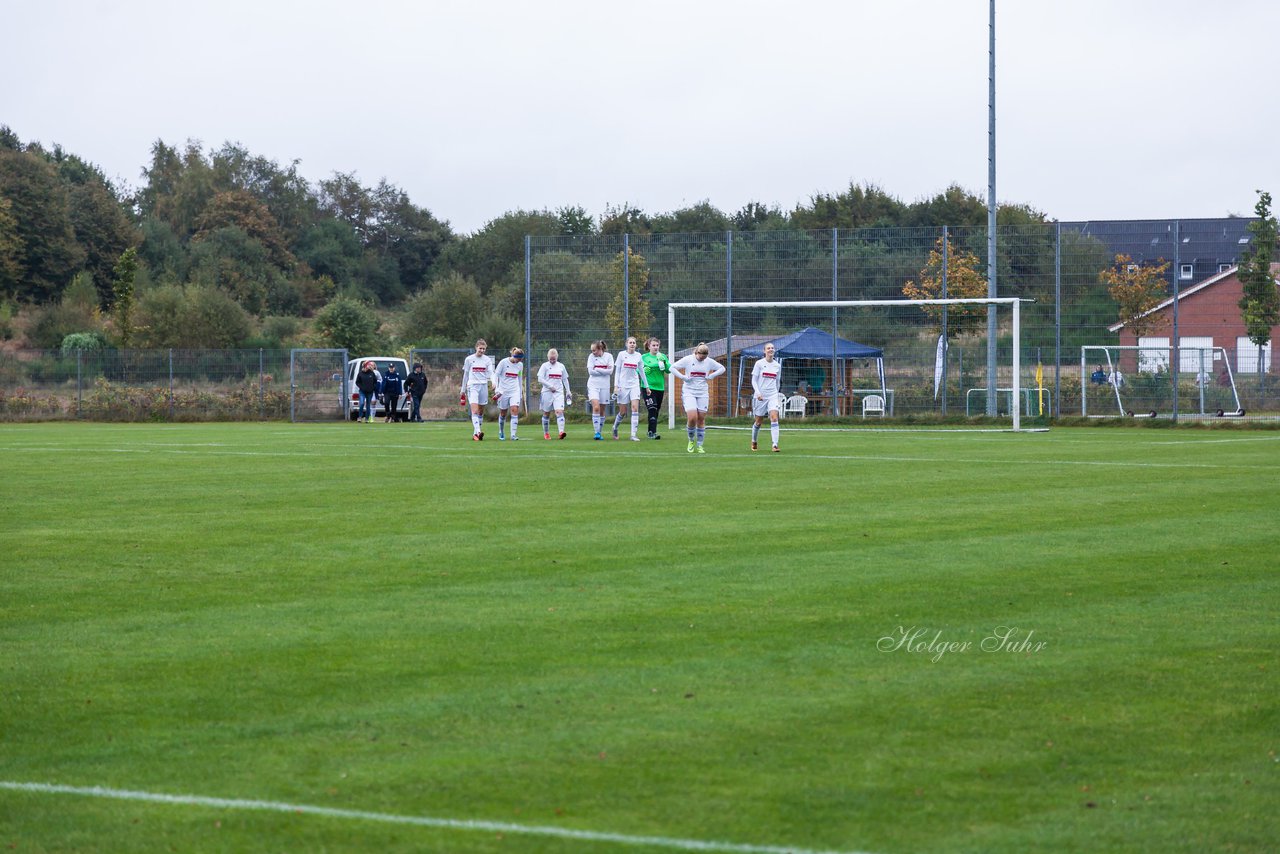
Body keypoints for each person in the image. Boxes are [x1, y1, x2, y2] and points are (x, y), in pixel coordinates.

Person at [670, 342, 726, 453]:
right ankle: (691, 440)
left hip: (703, 393)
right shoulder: (688, 359)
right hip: (689, 391)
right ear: (697, 352)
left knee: (701, 418)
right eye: (701, 356)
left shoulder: (709, 361)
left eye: (704, 357)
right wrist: (683, 377)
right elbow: (672, 367)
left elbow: (722, 368)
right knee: (692, 417)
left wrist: (711, 376)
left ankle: (700, 445)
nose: (702, 359)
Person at [611, 336, 650, 441]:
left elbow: (642, 371)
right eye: (630, 342)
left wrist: (647, 386)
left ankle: (633, 435)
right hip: (623, 386)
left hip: (634, 385)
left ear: (636, 345)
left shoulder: (638, 356)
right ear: (626, 344)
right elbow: (617, 371)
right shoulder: (621, 355)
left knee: (634, 408)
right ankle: (615, 427)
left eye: (634, 343)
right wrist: (616, 386)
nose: (632, 344)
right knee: (623, 412)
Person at [460, 339, 496, 440]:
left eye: (484, 349)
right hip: (472, 386)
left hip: (483, 386)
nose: (482, 350)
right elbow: (465, 375)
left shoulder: (487, 360)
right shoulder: (469, 359)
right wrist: (463, 390)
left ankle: (475, 434)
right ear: (476, 348)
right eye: (480, 348)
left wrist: (493, 382)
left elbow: (491, 373)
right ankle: (478, 432)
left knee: (480, 411)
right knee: (474, 410)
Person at [750, 342, 783, 452]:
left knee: (774, 417)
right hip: (760, 396)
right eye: (768, 348)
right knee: (758, 422)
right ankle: (754, 440)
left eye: (772, 348)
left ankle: (775, 445)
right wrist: (758, 393)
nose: (770, 350)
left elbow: (777, 382)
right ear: (764, 351)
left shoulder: (777, 365)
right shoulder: (759, 364)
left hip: (772, 395)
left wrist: (776, 394)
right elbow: (754, 380)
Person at [537, 348, 572, 439]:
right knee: (546, 413)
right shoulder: (544, 366)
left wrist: (568, 391)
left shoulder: (561, 366)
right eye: (551, 358)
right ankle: (546, 433)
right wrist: (550, 386)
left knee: (559, 411)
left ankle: (561, 432)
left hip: (559, 393)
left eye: (554, 358)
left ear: (557, 357)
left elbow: (565, 379)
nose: (552, 360)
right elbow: (540, 379)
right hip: (546, 392)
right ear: (548, 357)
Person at [641, 336, 671, 439]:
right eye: (653, 345)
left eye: (657, 345)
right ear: (649, 346)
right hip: (647, 387)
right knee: (652, 408)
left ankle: (651, 431)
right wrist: (645, 370)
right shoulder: (644, 357)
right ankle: (652, 433)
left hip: (660, 388)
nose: (656, 347)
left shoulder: (662, 356)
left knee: (655, 410)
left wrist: (665, 362)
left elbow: (668, 370)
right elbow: (637, 370)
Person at [493, 346, 525, 440]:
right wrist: (497, 388)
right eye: (518, 359)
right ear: (513, 355)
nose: (519, 361)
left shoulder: (520, 365)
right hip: (503, 391)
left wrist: (519, 393)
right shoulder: (503, 362)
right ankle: (501, 431)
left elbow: (519, 378)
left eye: (520, 359)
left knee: (514, 411)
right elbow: (496, 374)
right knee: (503, 413)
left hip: (514, 391)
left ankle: (513, 435)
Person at [585, 340, 614, 440]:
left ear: (600, 348)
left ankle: (599, 432)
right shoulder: (591, 357)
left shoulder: (609, 356)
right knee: (596, 407)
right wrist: (603, 371)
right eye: (592, 350)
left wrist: (598, 369)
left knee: (602, 410)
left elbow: (610, 371)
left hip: (605, 386)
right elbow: (591, 372)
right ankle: (596, 433)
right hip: (593, 385)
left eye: (594, 350)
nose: (593, 352)